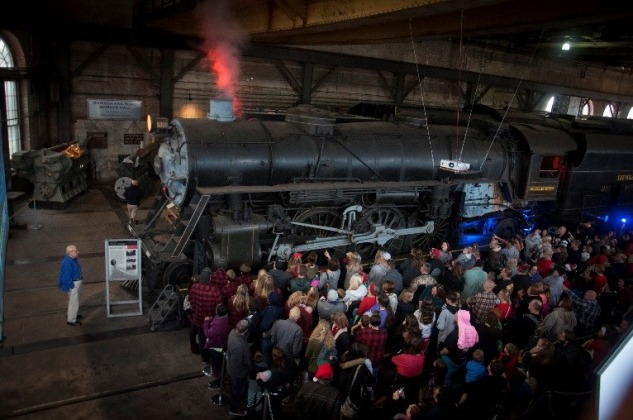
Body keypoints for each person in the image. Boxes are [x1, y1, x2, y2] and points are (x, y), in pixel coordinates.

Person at [226, 319, 252, 417]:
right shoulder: (239, 345)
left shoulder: (232, 332)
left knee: (238, 389)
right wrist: (246, 371)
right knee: (237, 391)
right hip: (237, 373)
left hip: (232, 368)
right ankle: (234, 408)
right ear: (245, 331)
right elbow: (237, 366)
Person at [58, 244, 83, 326]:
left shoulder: (72, 259)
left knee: (74, 301)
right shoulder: (67, 263)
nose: (78, 252)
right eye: (76, 251)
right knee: (74, 302)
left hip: (76, 283)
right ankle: (71, 320)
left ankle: (72, 315)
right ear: (70, 252)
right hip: (74, 284)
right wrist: (71, 286)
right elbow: (66, 277)